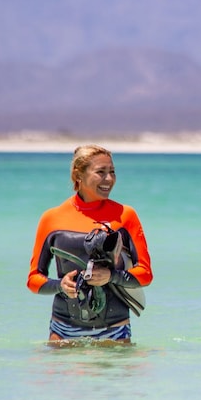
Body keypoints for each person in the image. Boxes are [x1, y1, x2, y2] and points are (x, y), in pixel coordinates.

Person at [26, 145, 153, 345]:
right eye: (101, 172)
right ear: (79, 175)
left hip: (115, 329)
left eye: (112, 172)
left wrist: (111, 276)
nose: (109, 179)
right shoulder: (52, 219)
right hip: (63, 329)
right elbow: (33, 280)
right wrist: (60, 285)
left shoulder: (125, 216)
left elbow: (145, 274)